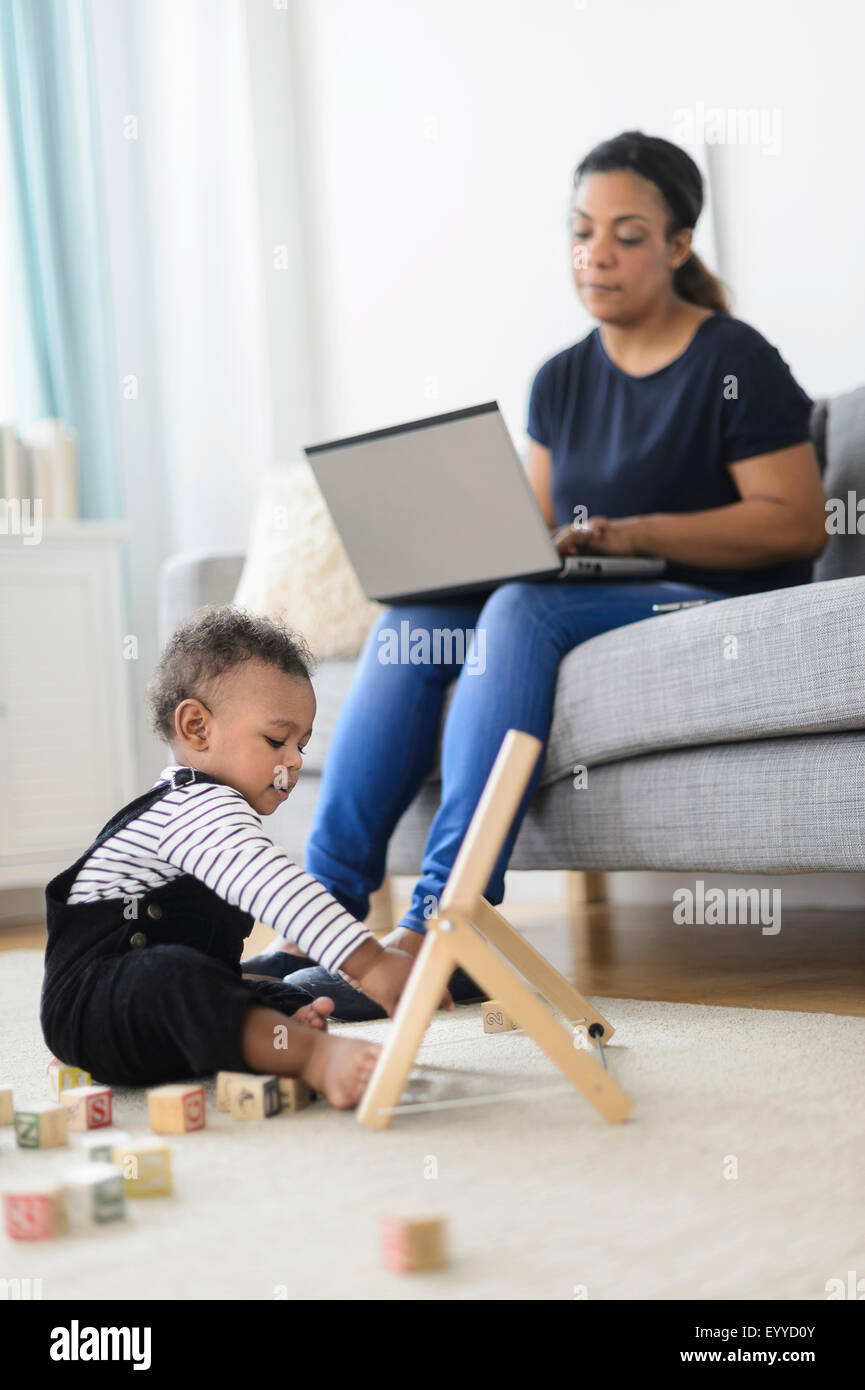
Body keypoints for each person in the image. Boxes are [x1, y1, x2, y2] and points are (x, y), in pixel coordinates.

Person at [241, 129, 827, 1019]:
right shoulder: (559, 379)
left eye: (627, 235)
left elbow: (798, 521)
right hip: (593, 594)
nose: (595, 253)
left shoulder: (732, 360)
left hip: (712, 597)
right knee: (414, 616)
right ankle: (322, 917)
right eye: (580, 229)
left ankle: (448, 927)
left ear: (676, 247)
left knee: (518, 609)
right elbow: (536, 536)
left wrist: (636, 536)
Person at [40, 608, 453, 1107]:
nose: (296, 760)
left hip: (160, 1021)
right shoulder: (192, 805)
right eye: (277, 741)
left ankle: (269, 1038)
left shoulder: (208, 807)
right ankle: (311, 1057)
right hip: (95, 1009)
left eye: (301, 744)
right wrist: (370, 963)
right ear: (197, 729)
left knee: (278, 992)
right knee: (175, 977)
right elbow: (275, 885)